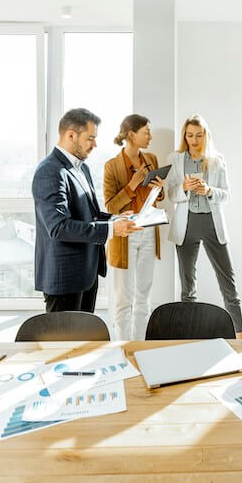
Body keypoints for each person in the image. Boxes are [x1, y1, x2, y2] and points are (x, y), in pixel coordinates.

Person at [32, 108, 139, 313]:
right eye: (90, 138)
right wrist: (111, 230)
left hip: (86, 273)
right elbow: (58, 227)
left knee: (84, 339)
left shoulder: (82, 168)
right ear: (71, 135)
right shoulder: (50, 171)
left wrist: (116, 218)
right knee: (62, 343)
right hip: (64, 279)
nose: (95, 144)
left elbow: (91, 214)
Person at [167, 115, 242, 338]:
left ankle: (241, 337)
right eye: (189, 135)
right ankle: (189, 336)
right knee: (187, 286)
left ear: (205, 135)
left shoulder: (217, 160)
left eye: (198, 135)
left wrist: (209, 190)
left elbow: (226, 194)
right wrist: (183, 186)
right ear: (185, 136)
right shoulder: (175, 159)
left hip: (211, 223)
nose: (194, 140)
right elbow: (171, 195)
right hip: (187, 224)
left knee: (228, 285)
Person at [104, 114, 165, 340]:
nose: (150, 136)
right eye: (146, 131)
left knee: (144, 295)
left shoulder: (152, 159)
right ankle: (122, 348)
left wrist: (159, 188)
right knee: (124, 298)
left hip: (148, 231)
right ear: (131, 134)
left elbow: (159, 197)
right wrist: (132, 185)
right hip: (125, 234)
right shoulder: (111, 167)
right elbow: (110, 206)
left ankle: (139, 346)